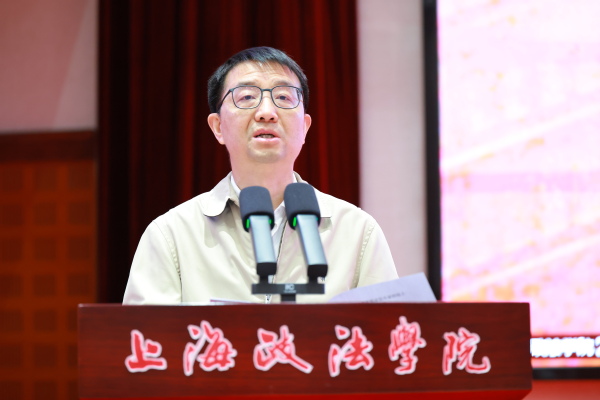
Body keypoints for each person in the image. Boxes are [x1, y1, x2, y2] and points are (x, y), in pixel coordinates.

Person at [123, 46, 398, 304]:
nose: (267, 113)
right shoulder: (172, 235)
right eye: (246, 97)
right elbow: (146, 336)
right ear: (217, 127)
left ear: (305, 127)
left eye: (284, 98)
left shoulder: (357, 232)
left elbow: (388, 332)